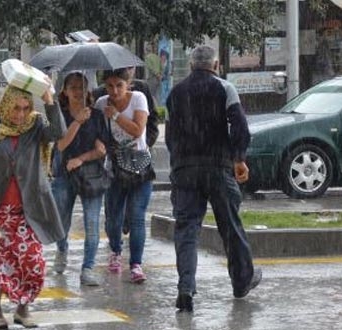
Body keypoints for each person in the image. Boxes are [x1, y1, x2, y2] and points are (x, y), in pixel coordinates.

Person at [165, 45, 261, 313]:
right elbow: (240, 126)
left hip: (185, 170)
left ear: (192, 66)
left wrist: (179, 163)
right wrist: (239, 158)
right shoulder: (224, 88)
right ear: (216, 65)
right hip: (217, 168)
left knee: (186, 231)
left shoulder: (175, 93)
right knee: (230, 226)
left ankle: (185, 288)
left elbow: (170, 136)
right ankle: (242, 281)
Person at [0, 84, 66, 329]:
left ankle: (23, 308)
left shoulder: (34, 126)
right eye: (16, 108)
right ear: (5, 105)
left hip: (27, 210)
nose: (20, 114)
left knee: (32, 261)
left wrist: (49, 100)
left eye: (25, 108)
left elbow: (58, 132)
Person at [95, 68, 152, 284]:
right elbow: (98, 131)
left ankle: (136, 264)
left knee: (137, 216)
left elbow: (138, 130)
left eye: (119, 85)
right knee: (113, 217)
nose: (115, 90)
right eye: (110, 86)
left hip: (139, 166)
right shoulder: (101, 103)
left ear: (128, 84)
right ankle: (115, 252)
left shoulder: (138, 98)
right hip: (114, 167)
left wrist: (116, 115)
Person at [50, 72, 108, 286]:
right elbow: (61, 145)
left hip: (91, 176)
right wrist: (77, 122)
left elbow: (101, 150)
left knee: (92, 223)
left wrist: (81, 159)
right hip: (63, 175)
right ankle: (62, 249)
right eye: (73, 87)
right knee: (61, 221)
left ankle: (88, 267)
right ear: (64, 91)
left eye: (82, 87)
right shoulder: (59, 115)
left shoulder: (97, 115)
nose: (78, 92)